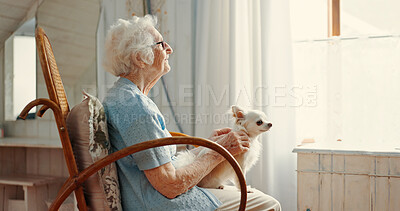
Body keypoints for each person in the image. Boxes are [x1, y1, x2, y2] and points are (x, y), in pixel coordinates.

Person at [102, 15, 281, 211]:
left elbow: (163, 164)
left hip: (151, 196)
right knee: (269, 204)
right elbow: (169, 185)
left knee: (253, 195)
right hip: (160, 204)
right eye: (161, 44)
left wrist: (212, 146)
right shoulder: (135, 107)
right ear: (140, 58)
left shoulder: (123, 97)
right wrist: (219, 152)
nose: (169, 49)